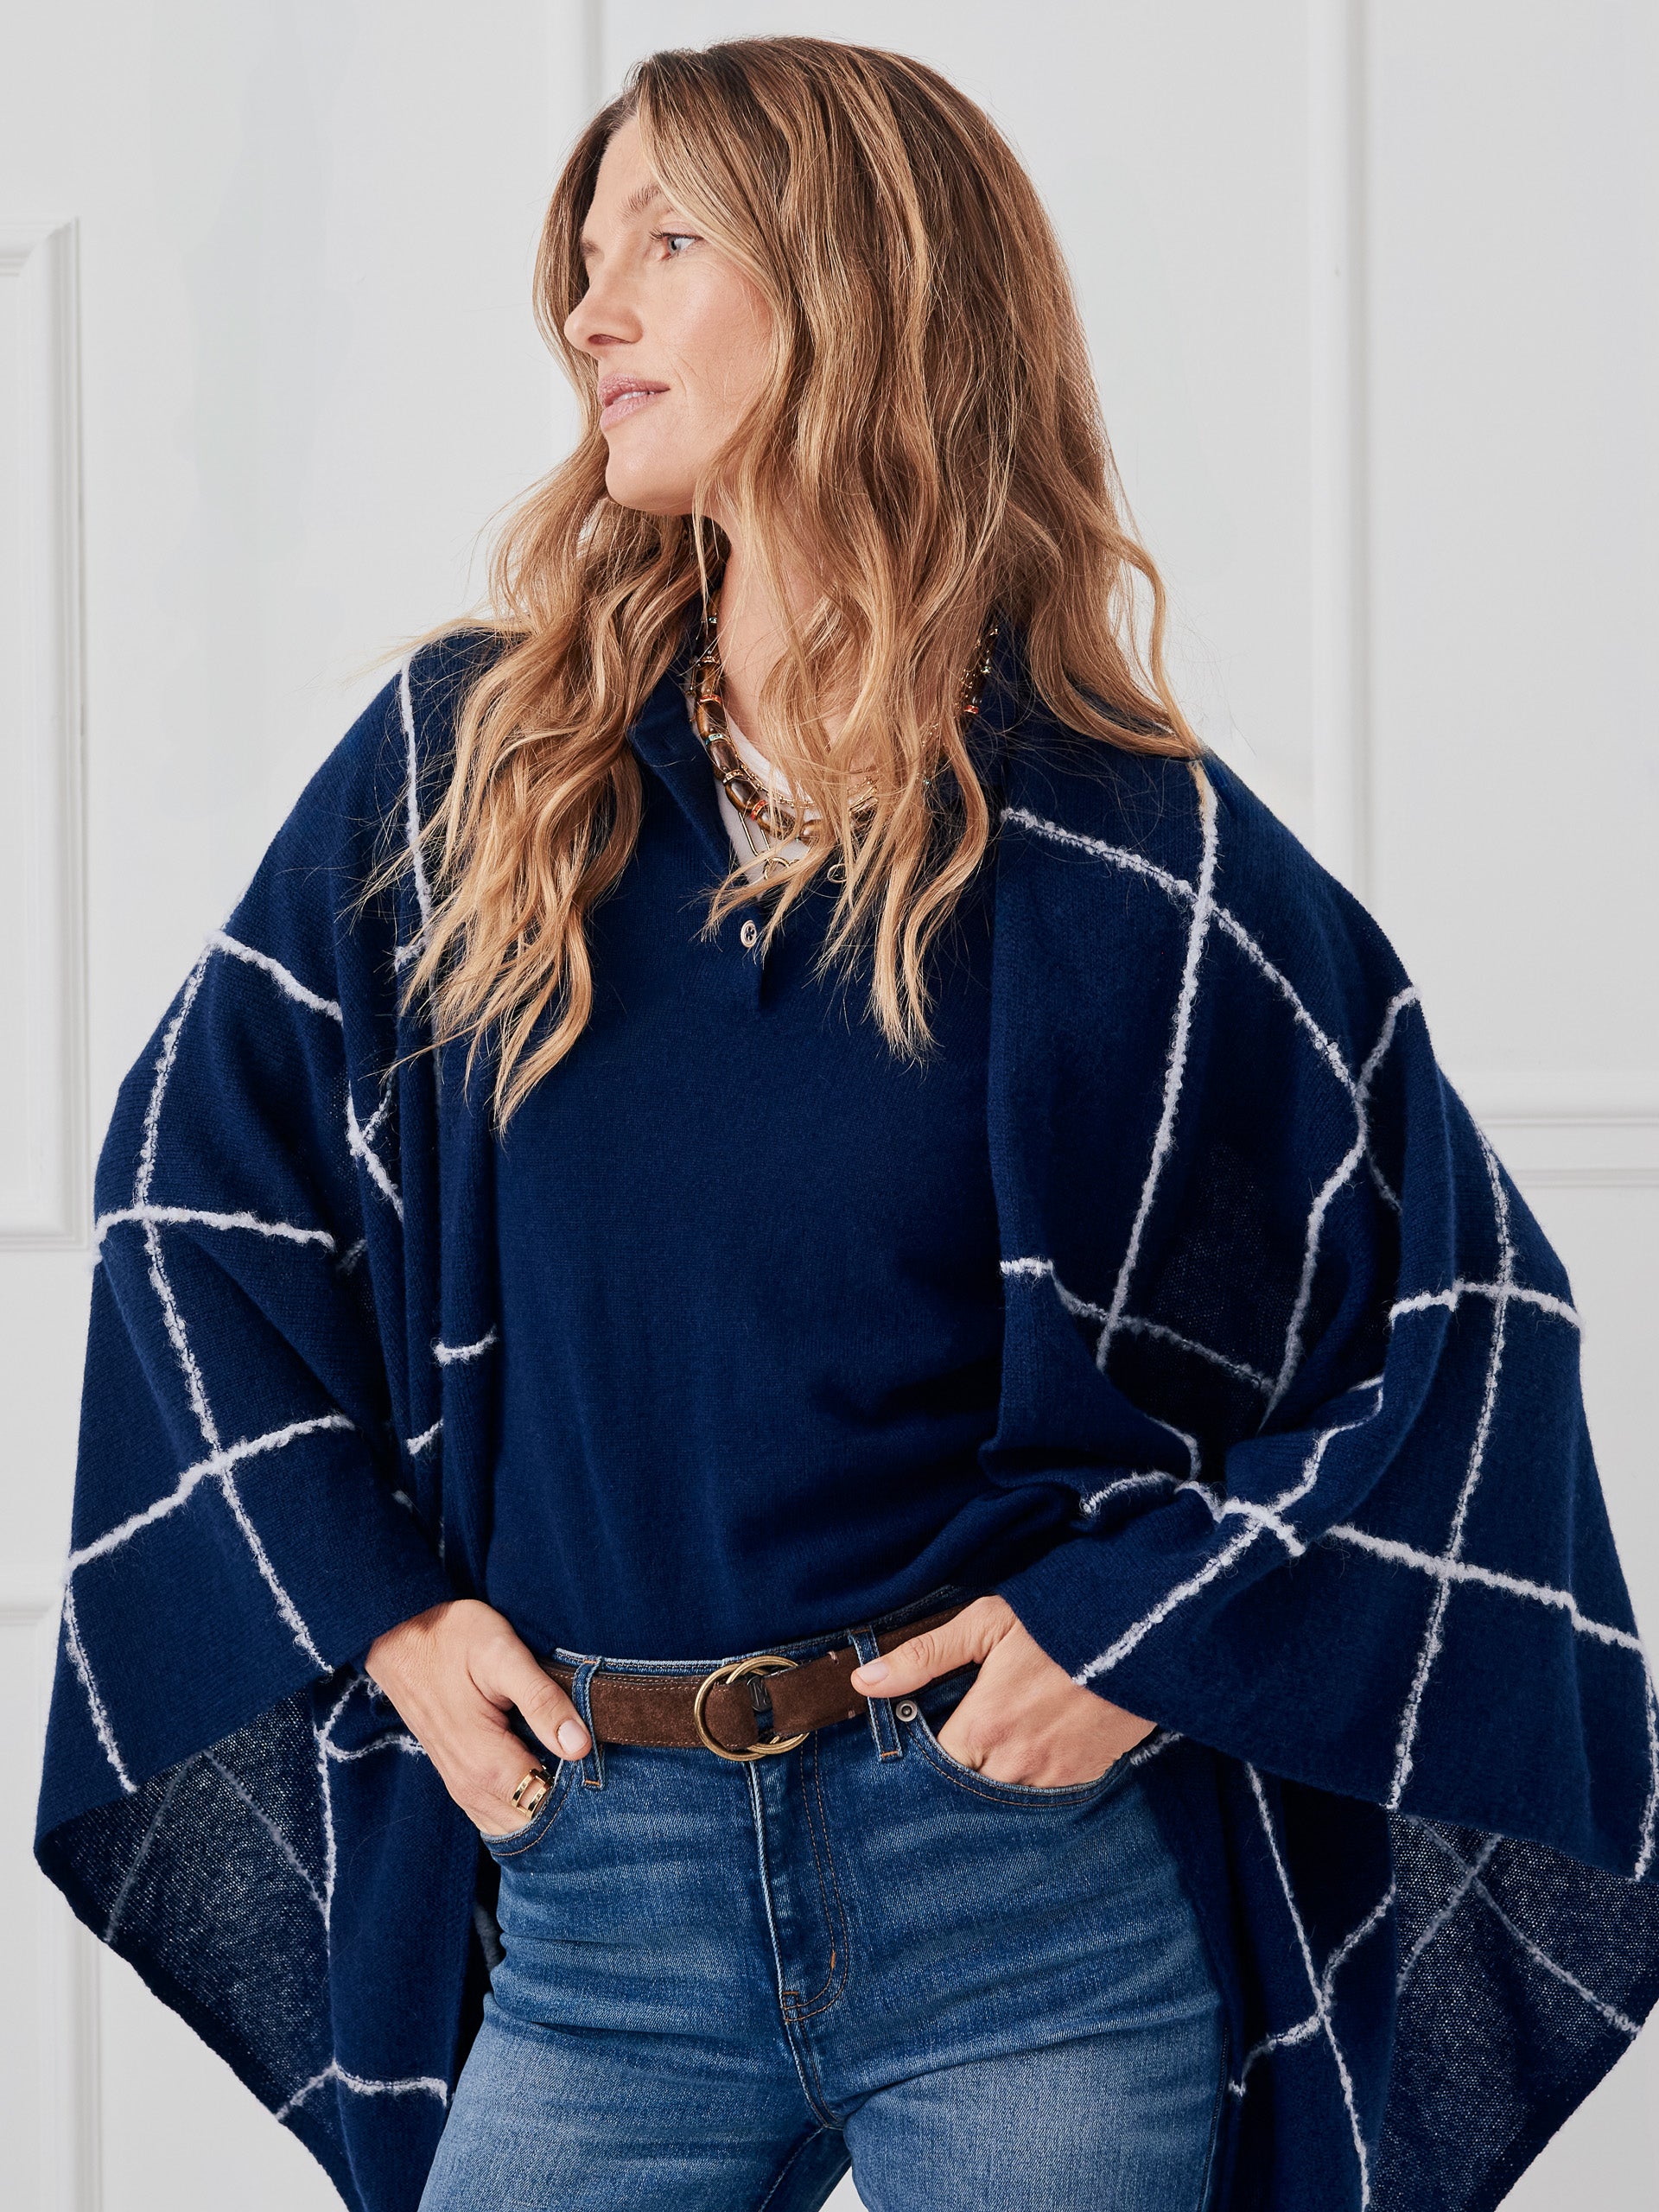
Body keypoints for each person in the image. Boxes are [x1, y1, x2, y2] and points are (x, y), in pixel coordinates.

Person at [33, 34, 1659, 2212]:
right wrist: (386, 1612)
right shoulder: (475, 772)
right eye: (584, 256)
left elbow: (1465, 1326)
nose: (588, 310)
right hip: (597, 1889)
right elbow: (185, 1208)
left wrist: (1142, 1631)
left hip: (1026, 1903)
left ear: (858, 290)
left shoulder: (1126, 850)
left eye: (665, 243)